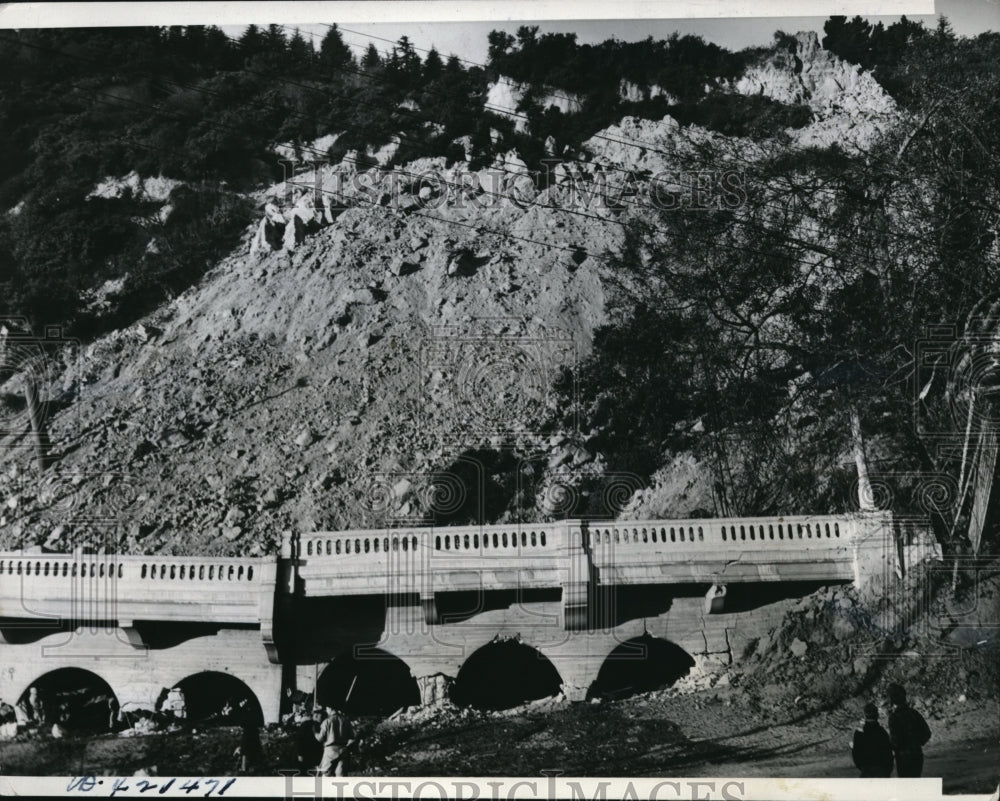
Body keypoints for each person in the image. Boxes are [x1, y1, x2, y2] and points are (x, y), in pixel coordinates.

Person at [886, 683, 931, 777]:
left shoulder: (894, 718)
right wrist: (917, 743)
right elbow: (927, 733)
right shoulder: (914, 713)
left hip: (903, 758)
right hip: (917, 754)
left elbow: (895, 741)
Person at [851, 702, 893, 777]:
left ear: (864, 715)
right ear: (877, 715)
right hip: (881, 769)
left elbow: (856, 753)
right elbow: (888, 753)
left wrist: (862, 767)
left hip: (866, 769)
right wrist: (888, 770)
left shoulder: (859, 733)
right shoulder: (882, 732)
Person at [314, 705, 355, 777]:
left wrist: (315, 733)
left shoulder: (327, 721)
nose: (326, 711)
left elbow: (320, 738)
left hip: (330, 750)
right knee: (341, 776)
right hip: (343, 749)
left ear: (330, 708)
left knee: (326, 775)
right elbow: (351, 737)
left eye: (327, 708)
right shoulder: (345, 720)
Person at [236, 698, 263, 774]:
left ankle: (243, 767)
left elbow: (242, 723)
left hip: (247, 732)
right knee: (255, 748)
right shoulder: (253, 709)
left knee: (244, 749)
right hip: (254, 732)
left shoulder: (244, 711)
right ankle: (257, 765)